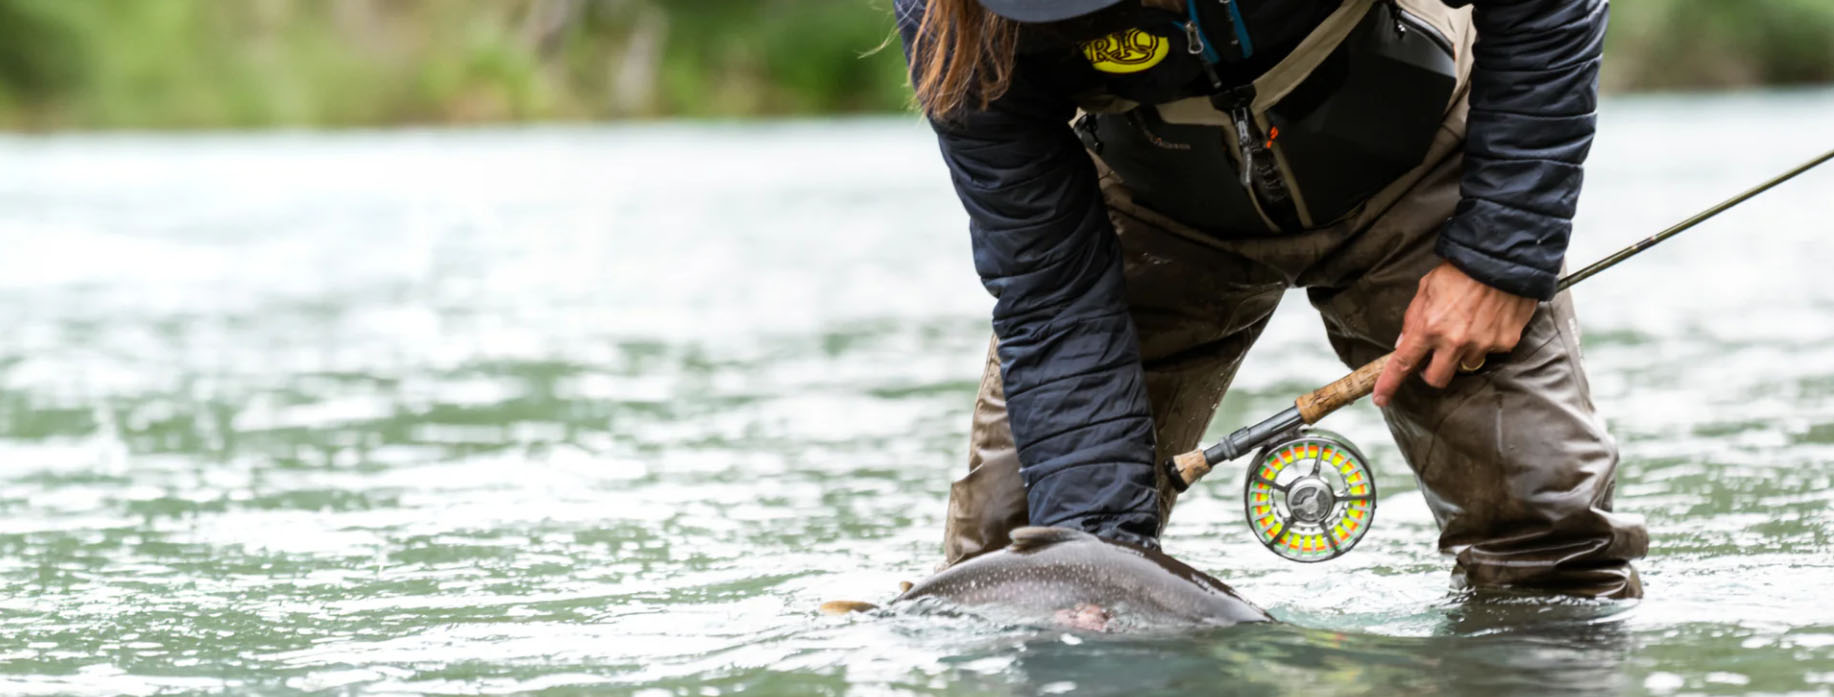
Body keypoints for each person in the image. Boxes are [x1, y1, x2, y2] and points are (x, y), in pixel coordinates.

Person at [896, 0, 1649, 598]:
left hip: (1415, 161)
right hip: (1152, 207)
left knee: (1552, 548)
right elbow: (1050, 293)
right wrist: (1088, 563)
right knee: (1011, 580)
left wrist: (1499, 260)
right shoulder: (951, 17)